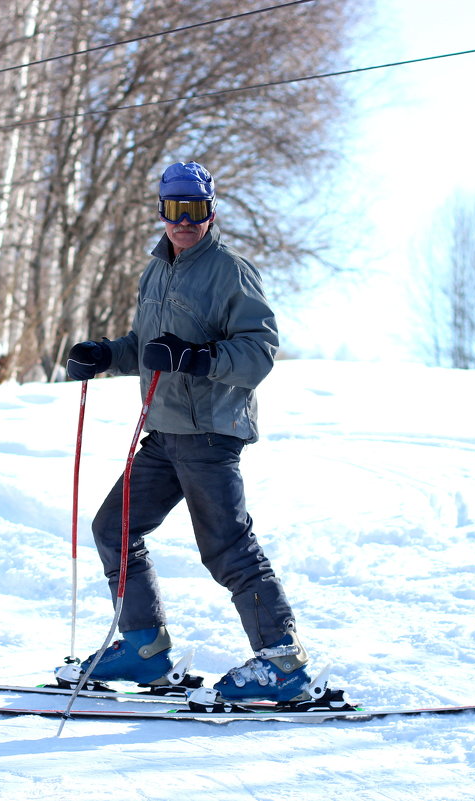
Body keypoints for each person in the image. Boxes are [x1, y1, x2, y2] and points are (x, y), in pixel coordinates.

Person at [63, 161, 311, 702]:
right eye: (175, 210)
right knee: (114, 528)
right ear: (161, 211)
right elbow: (148, 347)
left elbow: (259, 352)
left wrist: (197, 357)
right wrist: (106, 354)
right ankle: (144, 648)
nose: (184, 221)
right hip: (164, 432)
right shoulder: (156, 271)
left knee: (227, 548)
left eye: (194, 210)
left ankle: (283, 662)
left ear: (210, 211)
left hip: (210, 433)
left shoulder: (229, 270)